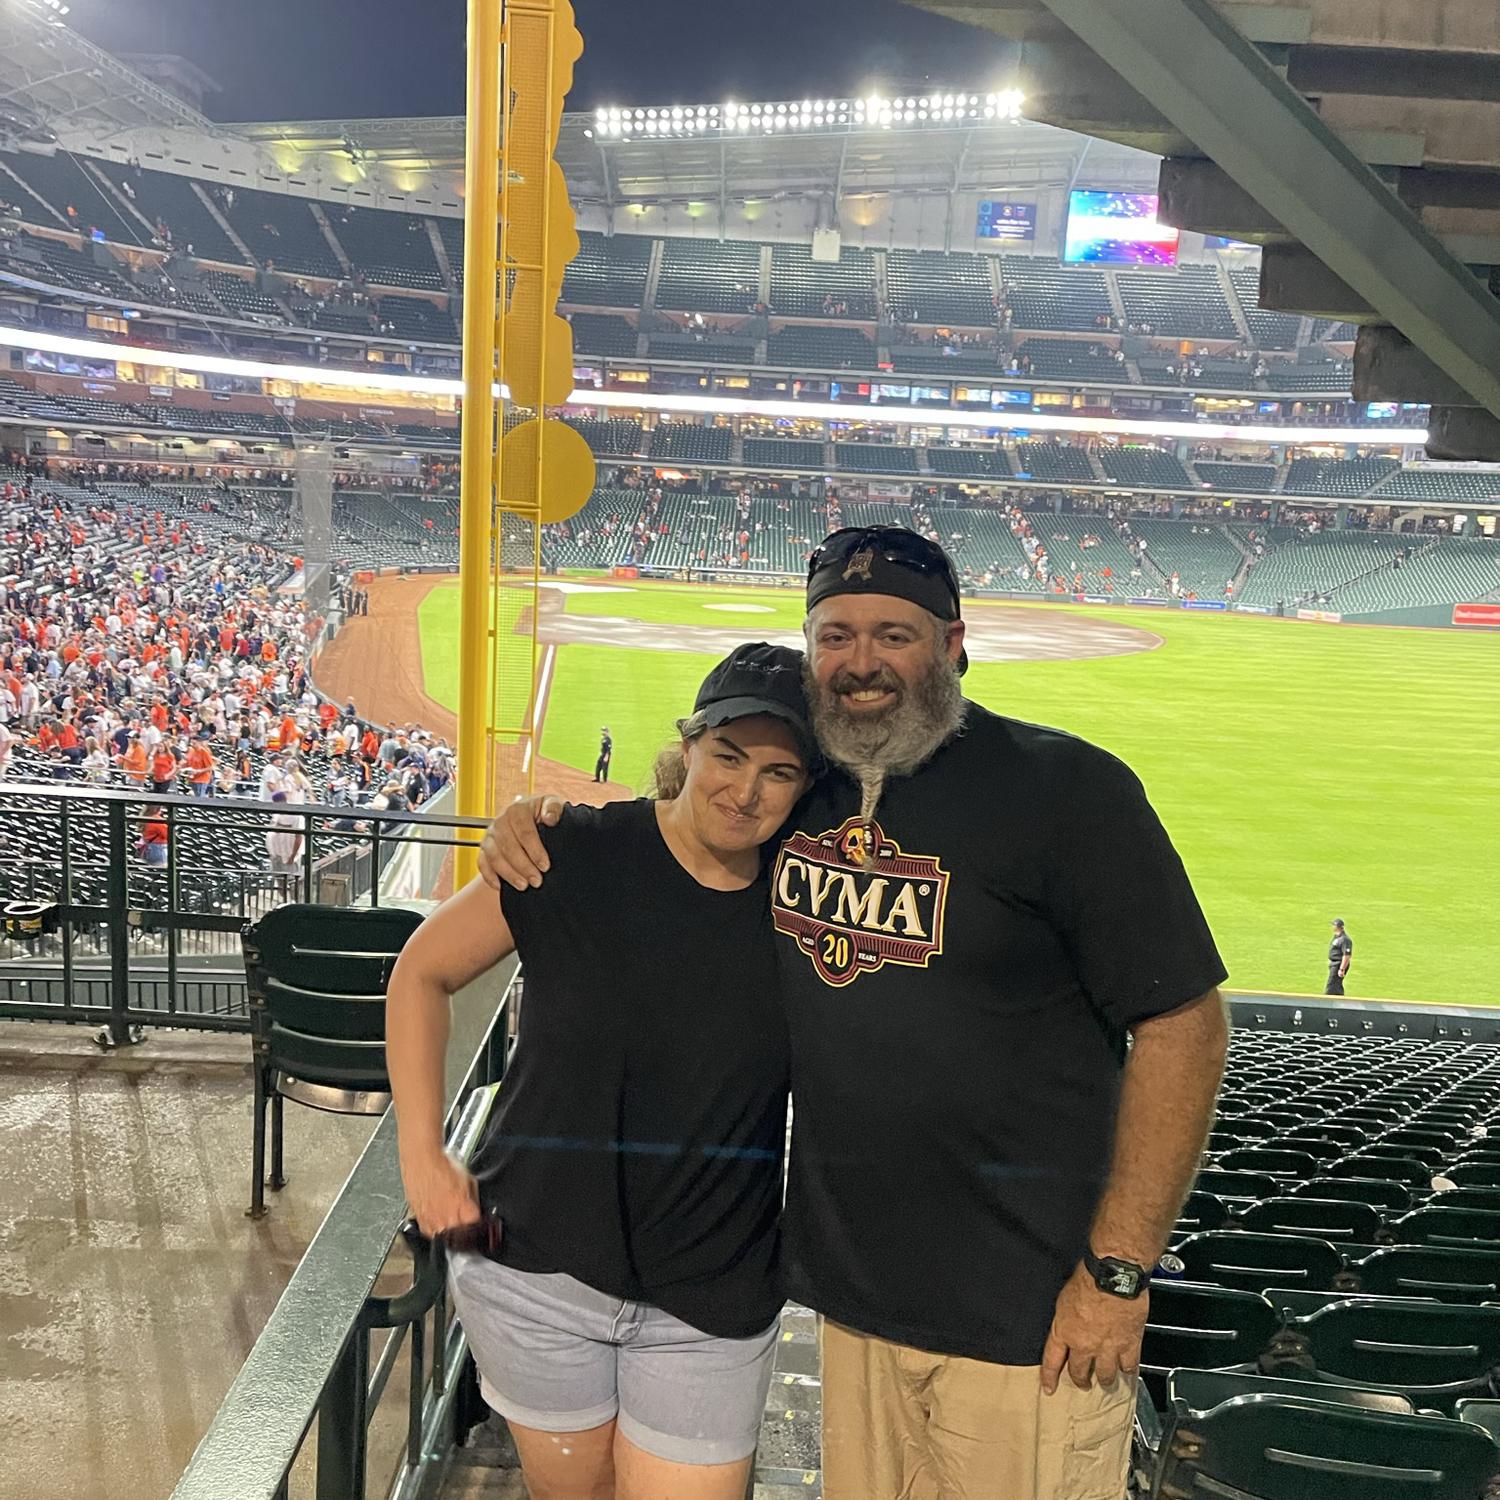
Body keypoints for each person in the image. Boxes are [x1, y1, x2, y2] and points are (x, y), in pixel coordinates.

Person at [481, 527, 1229, 1499]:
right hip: (852, 1306)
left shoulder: (1067, 793)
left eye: (893, 635)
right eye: (835, 637)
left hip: (1028, 1319)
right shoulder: (800, 787)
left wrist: (1120, 1272)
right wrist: (545, 825)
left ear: (955, 644)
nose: (862, 664)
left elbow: (1186, 1027)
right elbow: (682, 826)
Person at [387, 644, 817, 1500]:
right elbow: (419, 973)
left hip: (714, 1292)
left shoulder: (813, 904)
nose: (745, 791)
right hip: (534, 1272)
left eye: (780, 771)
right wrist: (421, 1154)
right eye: (728, 756)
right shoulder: (568, 853)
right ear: (688, 745)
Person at [1326, 917, 1353, 996]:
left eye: (1333, 925)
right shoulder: (1337, 937)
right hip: (1334, 964)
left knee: (1331, 985)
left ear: (1337, 927)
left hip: (1338, 964)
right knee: (1336, 986)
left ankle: (1327, 1003)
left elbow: (1347, 955)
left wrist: (1342, 969)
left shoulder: (1345, 939)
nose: (1332, 927)